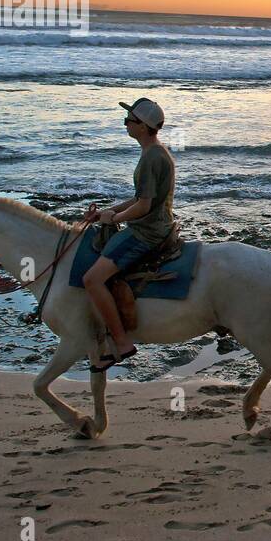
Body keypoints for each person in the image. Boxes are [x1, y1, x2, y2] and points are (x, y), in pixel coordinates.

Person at [83, 97, 176, 369]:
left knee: (92, 280)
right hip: (154, 224)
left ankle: (122, 342)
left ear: (144, 127)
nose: (125, 123)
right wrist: (106, 213)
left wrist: (117, 218)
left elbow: (144, 207)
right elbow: (139, 198)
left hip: (147, 232)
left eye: (130, 120)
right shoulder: (154, 153)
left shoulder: (151, 158)